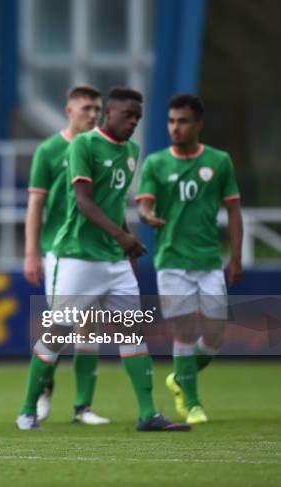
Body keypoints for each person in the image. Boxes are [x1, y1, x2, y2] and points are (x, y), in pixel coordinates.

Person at [20, 87, 191, 432]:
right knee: (57, 333)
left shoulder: (131, 149)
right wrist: (122, 237)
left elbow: (114, 204)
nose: (133, 123)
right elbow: (83, 201)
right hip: (77, 256)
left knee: (132, 333)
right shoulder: (81, 145)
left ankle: (147, 414)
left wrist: (126, 243)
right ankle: (27, 409)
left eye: (137, 118)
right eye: (127, 116)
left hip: (113, 258)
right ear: (108, 114)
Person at [136, 93, 243, 424]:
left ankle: (181, 378)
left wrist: (236, 257)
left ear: (198, 124)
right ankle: (193, 403)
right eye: (171, 121)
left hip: (209, 260)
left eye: (182, 121)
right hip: (171, 260)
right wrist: (147, 214)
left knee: (215, 335)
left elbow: (234, 211)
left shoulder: (219, 161)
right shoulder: (156, 163)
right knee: (183, 332)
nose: (175, 127)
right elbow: (144, 204)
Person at [19, 85, 109, 428]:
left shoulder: (102, 149)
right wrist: (31, 252)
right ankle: (43, 391)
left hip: (94, 251)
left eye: (97, 108)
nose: (93, 114)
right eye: (86, 108)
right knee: (62, 324)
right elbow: (36, 204)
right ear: (68, 110)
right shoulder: (51, 149)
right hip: (58, 250)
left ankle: (83, 407)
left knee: (90, 327)